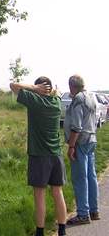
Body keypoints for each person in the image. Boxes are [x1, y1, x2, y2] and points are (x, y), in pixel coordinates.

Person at [10, 77, 67, 236]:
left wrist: (34, 88)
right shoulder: (56, 102)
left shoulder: (35, 102)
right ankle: (62, 231)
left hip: (39, 155)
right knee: (58, 192)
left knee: (39, 195)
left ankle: (40, 232)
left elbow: (13, 85)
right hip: (56, 154)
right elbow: (59, 92)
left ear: (40, 88)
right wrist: (51, 90)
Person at [64, 75, 100, 225]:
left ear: (72, 86)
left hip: (80, 142)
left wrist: (71, 146)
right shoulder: (91, 97)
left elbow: (77, 126)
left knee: (80, 178)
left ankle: (83, 214)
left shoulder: (78, 99)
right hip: (91, 139)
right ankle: (94, 209)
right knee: (91, 176)